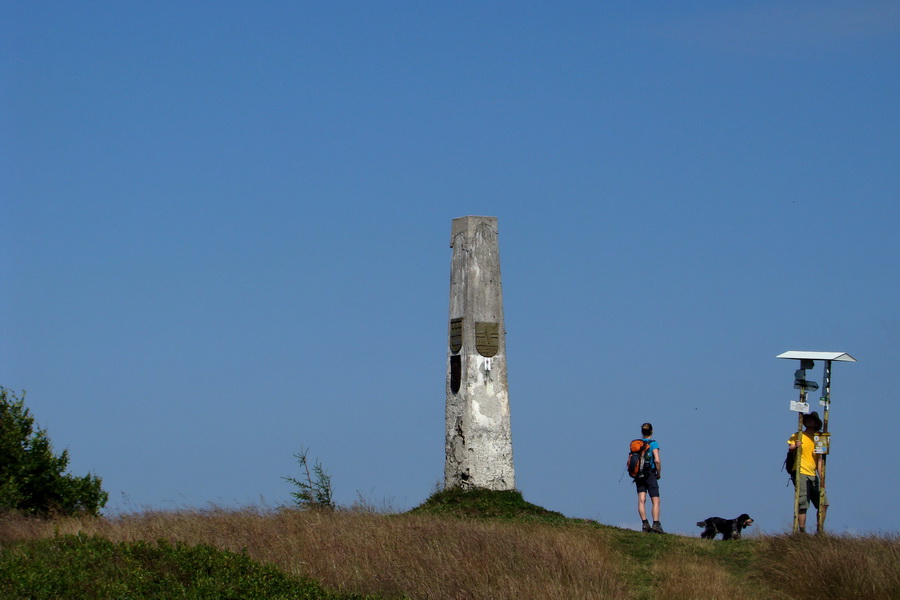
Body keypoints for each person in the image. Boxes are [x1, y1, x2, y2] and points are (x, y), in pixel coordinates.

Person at [787, 411, 828, 533]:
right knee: (803, 503)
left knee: (823, 503)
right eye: (808, 419)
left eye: (813, 420)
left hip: (812, 473)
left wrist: (822, 479)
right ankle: (802, 531)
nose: (810, 422)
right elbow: (790, 448)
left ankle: (819, 530)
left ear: (816, 423)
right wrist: (795, 447)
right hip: (801, 471)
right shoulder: (798, 435)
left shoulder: (819, 438)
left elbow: (820, 460)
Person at [634, 422, 664, 534]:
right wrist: (659, 473)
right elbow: (657, 460)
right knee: (655, 500)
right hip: (650, 474)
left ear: (642, 432)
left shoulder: (637, 444)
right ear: (651, 431)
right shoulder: (653, 443)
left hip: (638, 475)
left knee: (641, 500)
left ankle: (645, 524)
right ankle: (656, 524)